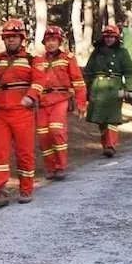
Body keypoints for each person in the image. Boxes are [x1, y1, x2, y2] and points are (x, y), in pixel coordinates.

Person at [0, 18, 45, 206]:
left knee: (24, 152)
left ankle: (26, 188)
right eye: (7, 37)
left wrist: (30, 96)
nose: (10, 40)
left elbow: (39, 81)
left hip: (22, 110)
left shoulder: (32, 59)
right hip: (0, 111)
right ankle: (0, 190)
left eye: (14, 37)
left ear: (22, 39)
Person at [34, 25, 87, 180]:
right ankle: (50, 168)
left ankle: (61, 166)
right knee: (43, 135)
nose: (51, 43)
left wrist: (81, 103)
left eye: (54, 40)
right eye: (48, 40)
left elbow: (78, 82)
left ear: (59, 42)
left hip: (60, 98)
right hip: (43, 101)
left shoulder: (68, 59)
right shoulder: (38, 60)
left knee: (56, 130)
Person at [83, 24, 132, 157]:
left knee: (112, 118)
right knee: (101, 119)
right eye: (106, 36)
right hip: (97, 89)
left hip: (115, 89)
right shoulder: (96, 52)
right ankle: (105, 145)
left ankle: (111, 145)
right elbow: (88, 71)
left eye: (112, 37)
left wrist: (131, 89)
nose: (109, 39)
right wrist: (85, 89)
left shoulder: (122, 52)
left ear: (116, 38)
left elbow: (129, 72)